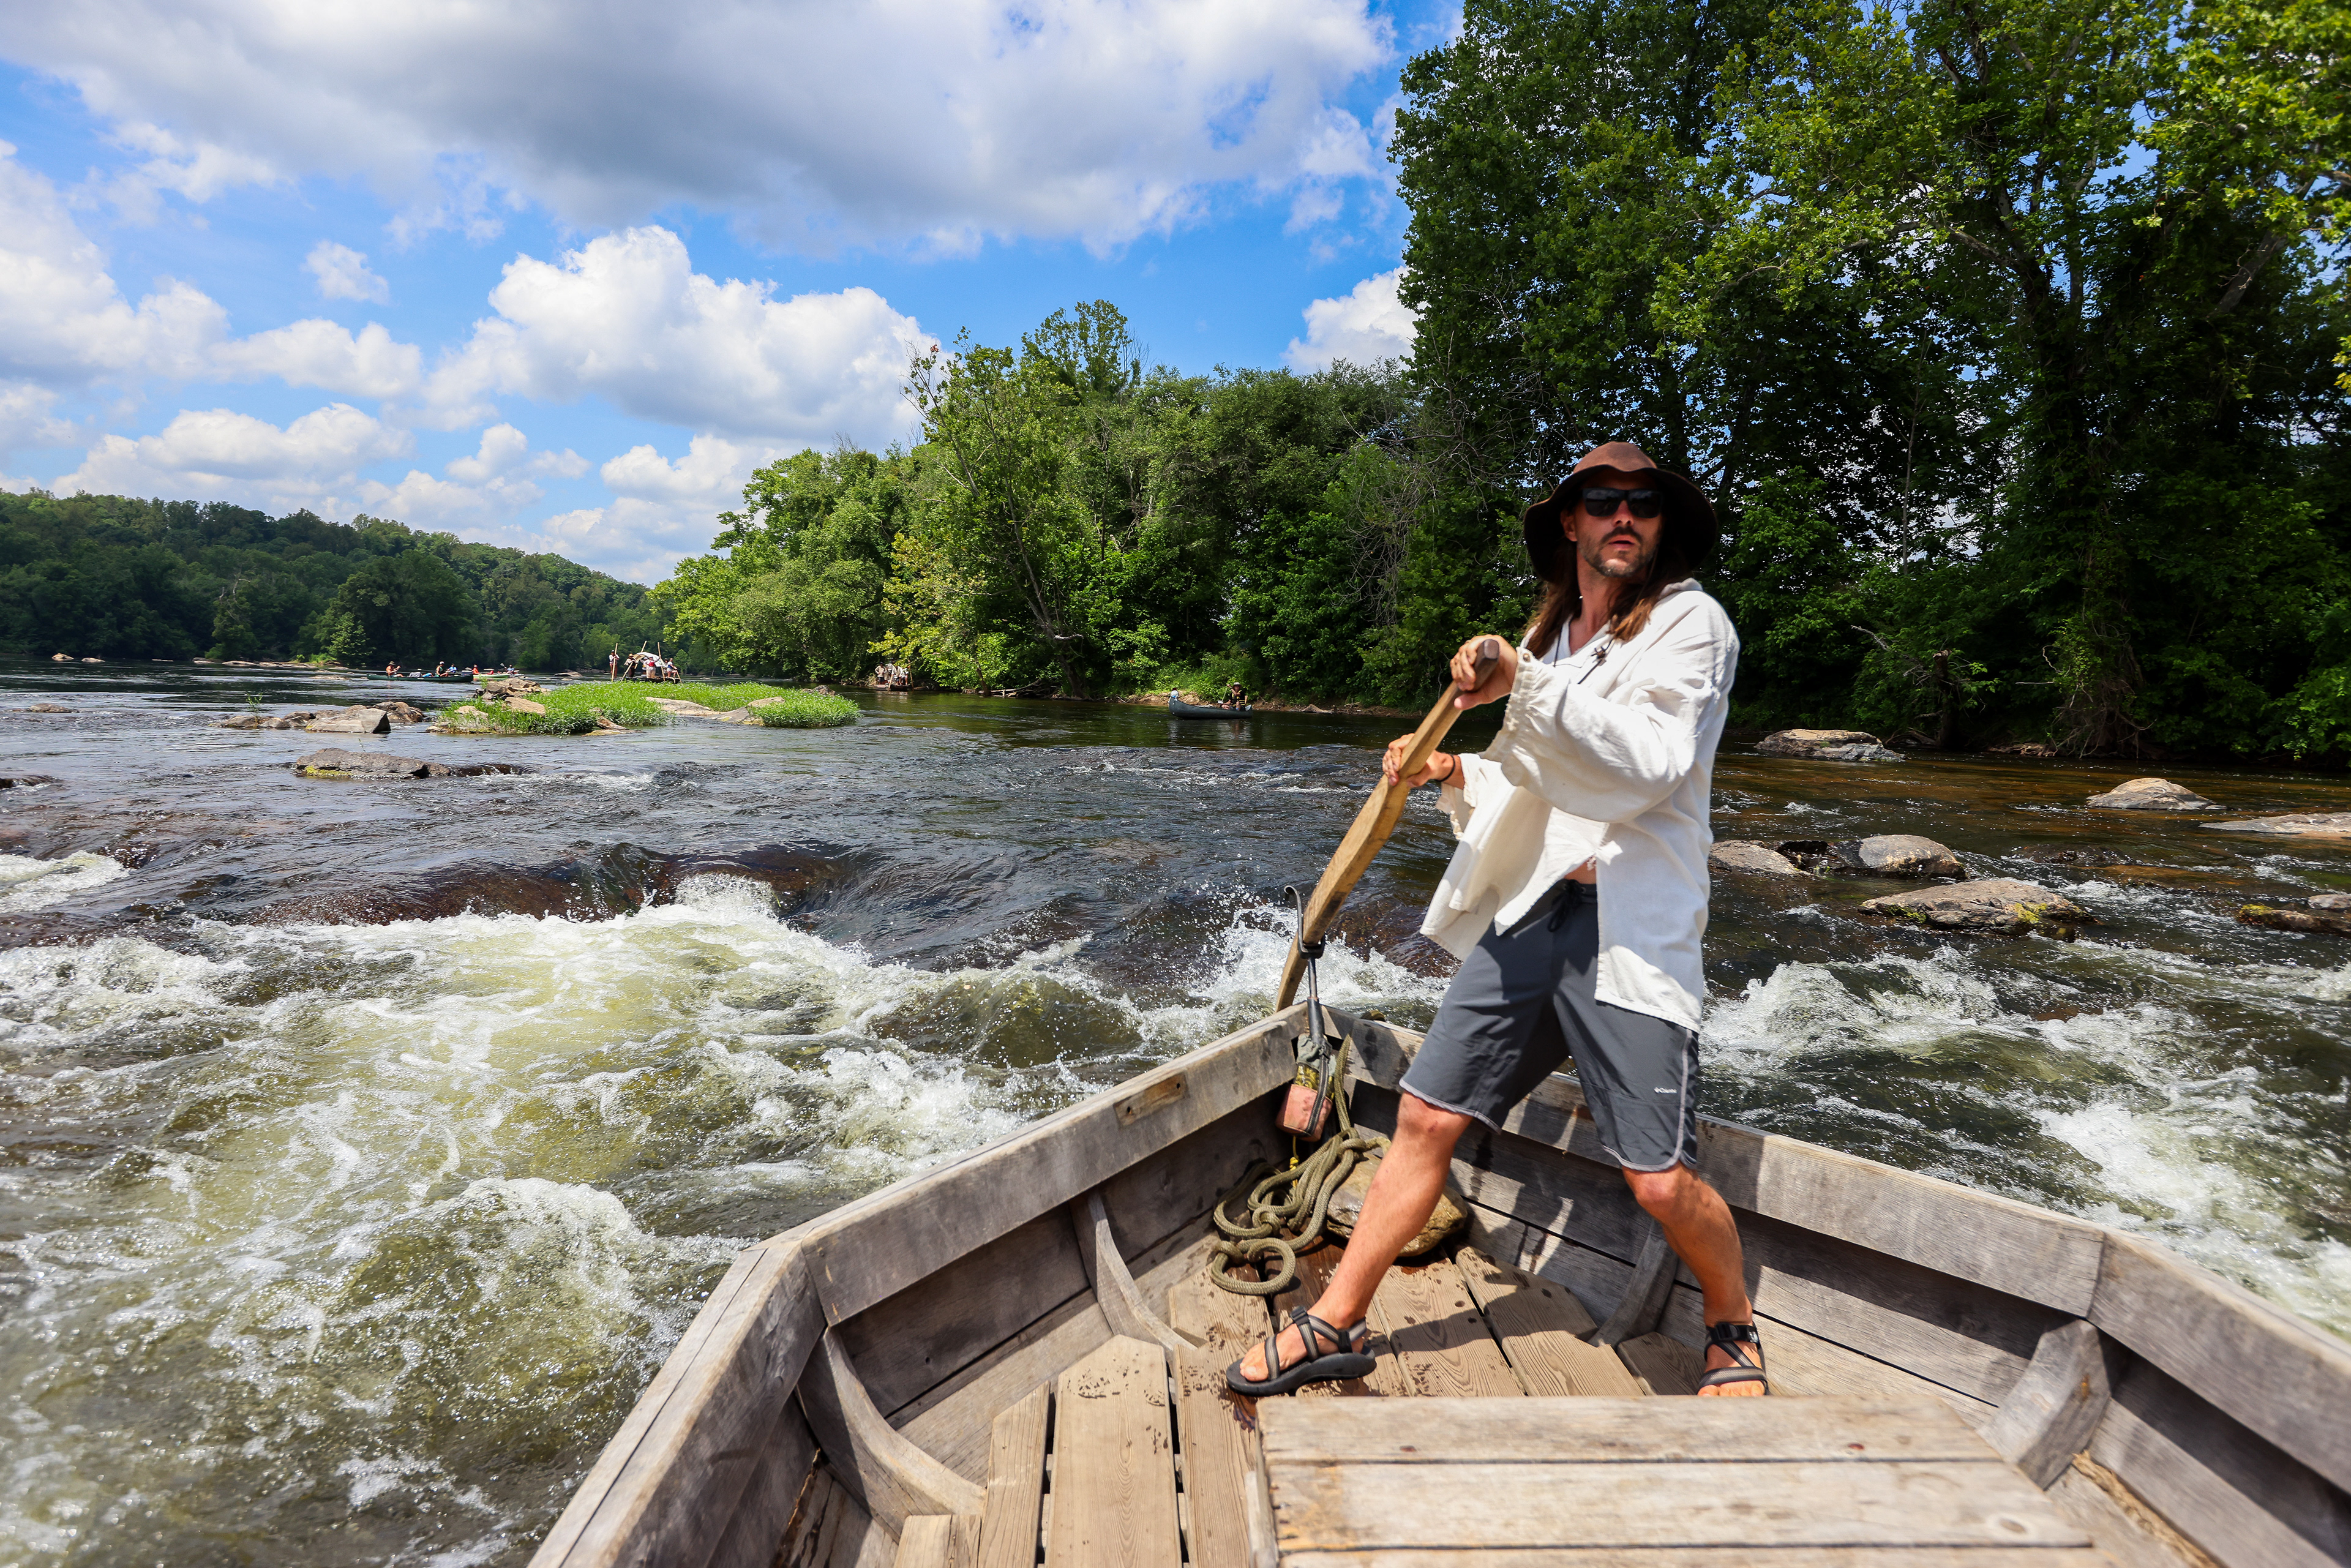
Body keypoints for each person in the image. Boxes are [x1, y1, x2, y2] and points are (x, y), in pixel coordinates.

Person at [1226, 440, 1763, 1397]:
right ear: (1572, 522)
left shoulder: (1692, 625)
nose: (1624, 516)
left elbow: (1643, 766)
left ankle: (1733, 1321)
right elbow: (1541, 782)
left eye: (1643, 502)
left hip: (1628, 927)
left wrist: (1523, 681)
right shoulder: (1562, 639)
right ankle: (1334, 1319)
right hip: (1539, 913)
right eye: (1603, 500)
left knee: (1655, 1177)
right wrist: (1452, 768)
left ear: (1662, 524)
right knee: (1426, 1115)